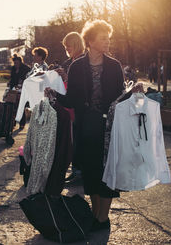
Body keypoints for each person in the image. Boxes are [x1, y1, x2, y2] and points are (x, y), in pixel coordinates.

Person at [45, 19, 124, 231]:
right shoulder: (77, 67)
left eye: (108, 38)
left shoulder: (115, 66)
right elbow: (71, 100)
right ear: (90, 41)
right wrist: (54, 95)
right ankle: (96, 213)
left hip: (109, 128)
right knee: (90, 172)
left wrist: (135, 93)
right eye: (103, 38)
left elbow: (121, 97)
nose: (107, 42)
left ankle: (103, 218)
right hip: (86, 127)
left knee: (108, 172)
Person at [56, 32, 85, 182]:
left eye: (69, 45)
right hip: (72, 107)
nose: (67, 48)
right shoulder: (72, 61)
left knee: (78, 141)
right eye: (65, 46)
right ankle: (76, 171)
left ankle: (79, 172)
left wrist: (66, 77)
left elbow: (80, 86)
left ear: (76, 44)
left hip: (78, 108)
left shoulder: (81, 61)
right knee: (74, 140)